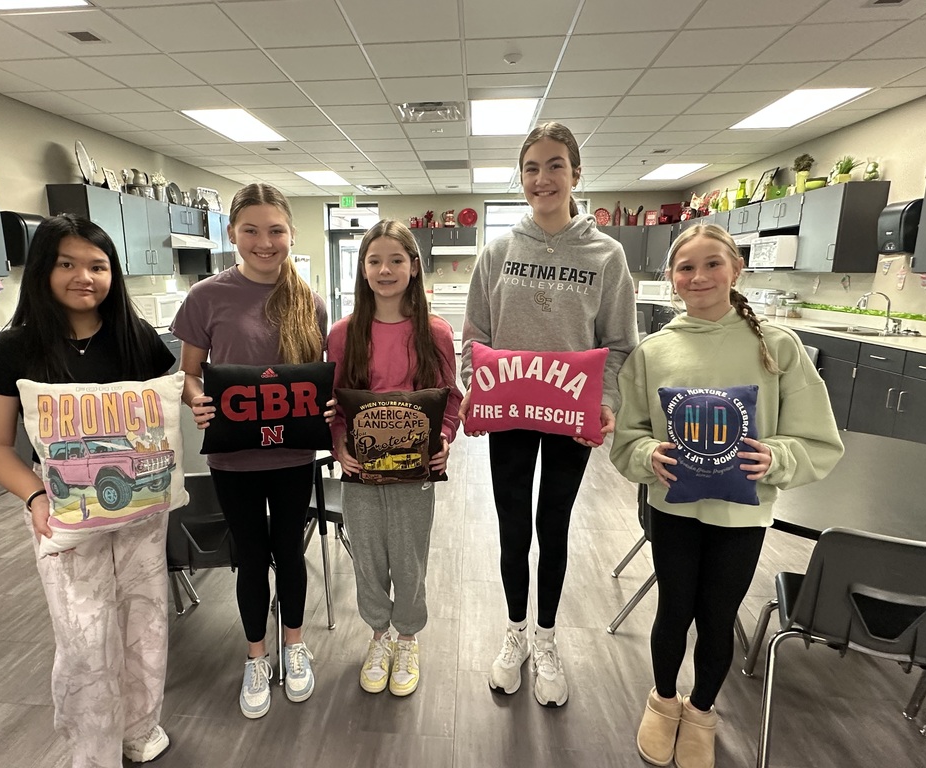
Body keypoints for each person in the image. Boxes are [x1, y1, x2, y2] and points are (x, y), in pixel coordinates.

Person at [609, 224, 843, 768]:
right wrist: (648, 455)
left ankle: (702, 711)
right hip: (674, 509)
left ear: (735, 269)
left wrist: (776, 457)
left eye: (712, 264)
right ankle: (663, 700)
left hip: (744, 514)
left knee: (718, 617)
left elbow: (817, 438)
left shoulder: (777, 347)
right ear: (672, 279)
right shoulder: (654, 352)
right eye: (685, 267)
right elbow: (629, 434)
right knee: (674, 610)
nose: (699, 277)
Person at [0, 214, 175, 767]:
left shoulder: (138, 341)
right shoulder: (12, 350)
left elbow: (165, 415)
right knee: (85, 640)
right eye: (67, 263)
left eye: (97, 265)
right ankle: (93, 749)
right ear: (43, 269)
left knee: (145, 626)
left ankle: (140, 729)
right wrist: (36, 497)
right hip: (63, 515)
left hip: (138, 513)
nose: (83, 276)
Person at [460, 121, 639, 707]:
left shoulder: (607, 256)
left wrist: (607, 400)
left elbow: (618, 342)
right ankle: (514, 633)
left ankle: (547, 636)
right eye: (532, 167)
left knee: (553, 527)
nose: (543, 178)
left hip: (569, 415)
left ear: (575, 174)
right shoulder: (498, 251)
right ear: (521, 177)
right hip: (509, 412)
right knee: (512, 527)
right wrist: (475, 386)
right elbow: (476, 335)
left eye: (555, 165)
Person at [171, 182, 327, 720]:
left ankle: (295, 645)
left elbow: (315, 379)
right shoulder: (206, 297)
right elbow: (189, 374)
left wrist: (325, 409)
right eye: (252, 230)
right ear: (233, 233)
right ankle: (255, 656)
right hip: (233, 458)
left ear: (291, 234)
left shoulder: (311, 301)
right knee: (251, 559)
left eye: (276, 230)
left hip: (292, 457)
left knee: (290, 552)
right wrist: (197, 401)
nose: (265, 241)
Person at [327, 219, 462, 697]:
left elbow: (451, 397)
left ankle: (407, 638)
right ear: (362, 270)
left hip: (414, 472)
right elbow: (335, 403)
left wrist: (443, 437)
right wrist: (339, 443)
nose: (385, 269)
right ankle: (378, 636)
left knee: (409, 557)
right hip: (360, 473)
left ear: (414, 267)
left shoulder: (437, 332)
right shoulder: (342, 335)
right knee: (367, 556)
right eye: (374, 260)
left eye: (396, 260)